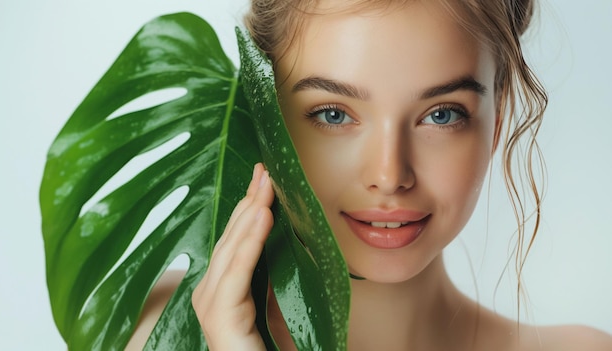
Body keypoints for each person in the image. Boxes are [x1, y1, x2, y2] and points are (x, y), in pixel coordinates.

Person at [128, 0, 612, 350]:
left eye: (441, 115)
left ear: (498, 117)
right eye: (334, 115)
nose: (389, 175)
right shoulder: (160, 332)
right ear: (266, 116)